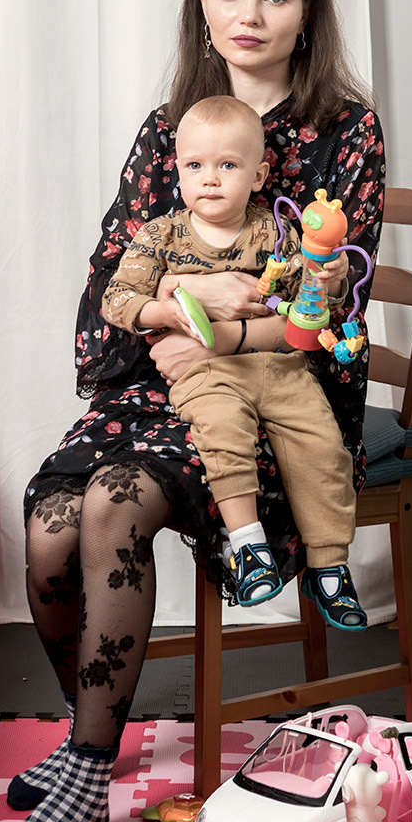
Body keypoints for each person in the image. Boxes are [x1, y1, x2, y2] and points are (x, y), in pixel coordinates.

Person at [0, 0, 384, 822]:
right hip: (161, 375)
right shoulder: (168, 129)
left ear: (306, 14)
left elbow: (328, 305)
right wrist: (184, 300)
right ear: (202, 3)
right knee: (47, 522)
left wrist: (214, 316)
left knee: (114, 504)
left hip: (279, 394)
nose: (250, 14)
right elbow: (110, 282)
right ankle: (85, 732)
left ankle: (85, 775)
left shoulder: (347, 130)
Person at [101, 93, 366, 622]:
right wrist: (167, 311)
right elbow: (116, 299)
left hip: (281, 367)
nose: (210, 180)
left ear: (259, 174)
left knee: (322, 443)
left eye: (227, 166)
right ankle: (247, 546)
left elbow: (314, 309)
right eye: (195, 166)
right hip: (206, 371)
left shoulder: (277, 232)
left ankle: (329, 567)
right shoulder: (160, 235)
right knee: (222, 430)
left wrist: (330, 279)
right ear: (178, 170)